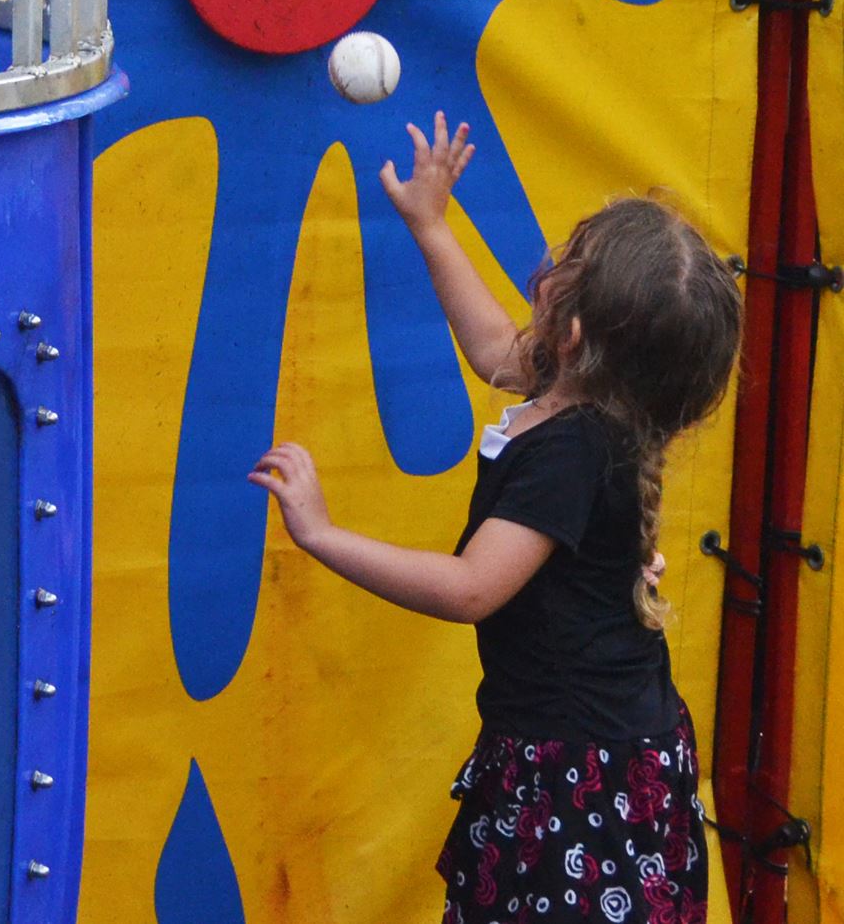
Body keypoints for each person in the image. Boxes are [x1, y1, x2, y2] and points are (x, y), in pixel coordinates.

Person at [250, 119, 741, 924]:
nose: (548, 264)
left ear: (573, 331)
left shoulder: (574, 448)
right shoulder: (577, 390)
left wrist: (322, 533)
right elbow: (487, 349)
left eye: (566, 263)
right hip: (594, 742)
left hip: (583, 772)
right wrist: (431, 224)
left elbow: (474, 588)